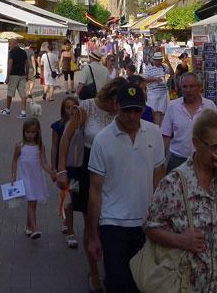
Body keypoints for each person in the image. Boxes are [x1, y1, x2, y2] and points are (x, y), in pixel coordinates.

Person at [145, 109, 217, 292]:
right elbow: (150, 227)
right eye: (216, 147)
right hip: (190, 283)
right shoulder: (174, 183)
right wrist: (180, 240)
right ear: (196, 143)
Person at [86, 83, 165, 293]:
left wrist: (162, 220)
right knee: (117, 283)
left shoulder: (154, 134)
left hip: (145, 223)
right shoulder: (102, 141)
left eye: (137, 110)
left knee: (143, 283)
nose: (132, 116)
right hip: (113, 224)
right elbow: (95, 190)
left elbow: (159, 179)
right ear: (116, 106)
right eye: (126, 110)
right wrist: (93, 235)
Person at [57, 77, 126, 292]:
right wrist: (61, 170)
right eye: (114, 100)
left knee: (111, 220)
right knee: (91, 221)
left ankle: (110, 261)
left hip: (114, 171)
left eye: (119, 102)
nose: (116, 106)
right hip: (87, 168)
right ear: (107, 95)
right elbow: (66, 138)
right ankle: (94, 271)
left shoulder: (122, 112)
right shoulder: (87, 107)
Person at [161, 73, 217, 172]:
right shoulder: (173, 106)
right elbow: (166, 136)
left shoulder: (210, 106)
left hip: (203, 160)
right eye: (184, 87)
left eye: (191, 86)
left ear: (199, 87)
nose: (188, 90)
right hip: (178, 160)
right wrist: (161, 163)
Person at [11, 117, 56, 240]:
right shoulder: (20, 146)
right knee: (31, 203)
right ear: (24, 132)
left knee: (33, 204)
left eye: (33, 132)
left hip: (36, 178)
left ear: (38, 132)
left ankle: (28, 227)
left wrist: (51, 171)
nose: (30, 135)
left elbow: (44, 163)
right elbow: (14, 160)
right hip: (25, 178)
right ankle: (35, 228)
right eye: (27, 132)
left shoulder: (40, 146)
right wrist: (13, 176)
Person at [51, 96, 81, 249]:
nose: (70, 111)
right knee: (68, 199)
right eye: (67, 108)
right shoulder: (58, 126)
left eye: (73, 108)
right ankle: (70, 232)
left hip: (78, 167)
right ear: (63, 110)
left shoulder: (82, 126)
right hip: (65, 168)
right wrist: (54, 169)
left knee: (75, 197)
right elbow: (54, 147)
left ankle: (65, 221)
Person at [1, 37, 29, 118]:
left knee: (10, 93)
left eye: (10, 44)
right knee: (23, 94)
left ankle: (7, 110)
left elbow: (10, 64)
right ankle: (23, 112)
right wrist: (26, 75)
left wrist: (7, 76)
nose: (9, 45)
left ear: (14, 43)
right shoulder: (23, 52)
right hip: (22, 75)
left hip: (14, 75)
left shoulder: (12, 52)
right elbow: (27, 64)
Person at [142, 51, 170, 125]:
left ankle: (157, 127)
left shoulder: (164, 67)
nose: (159, 61)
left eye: (160, 59)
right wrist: (155, 79)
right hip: (153, 92)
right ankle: (153, 126)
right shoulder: (149, 68)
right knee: (152, 110)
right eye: (157, 60)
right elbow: (145, 79)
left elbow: (172, 73)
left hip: (163, 93)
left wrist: (168, 62)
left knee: (160, 111)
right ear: (154, 60)